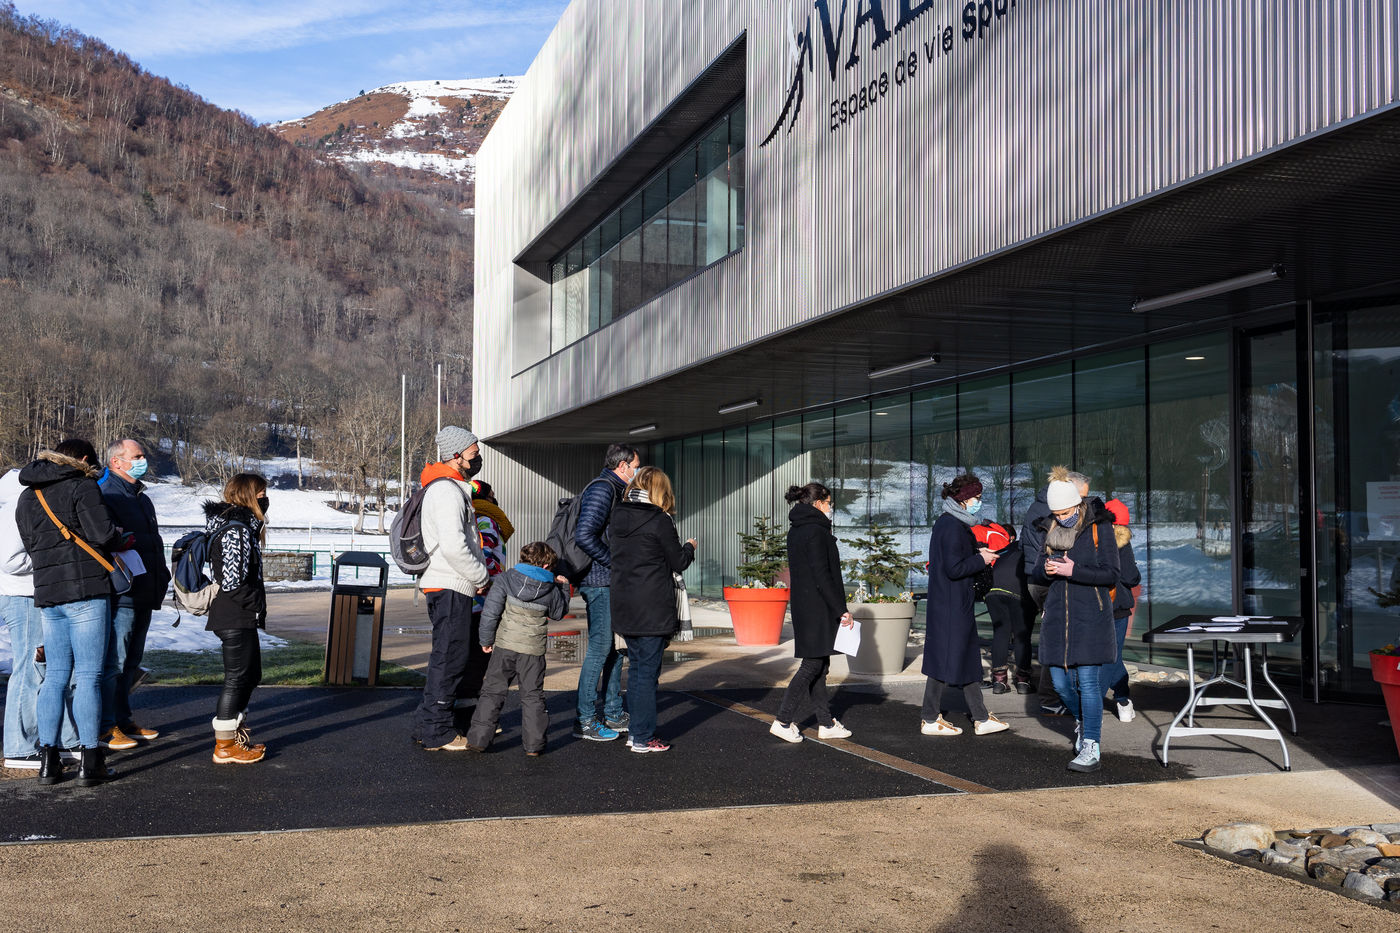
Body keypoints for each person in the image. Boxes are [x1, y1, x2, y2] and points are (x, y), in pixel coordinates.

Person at [17, 439, 126, 786]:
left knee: (55, 677)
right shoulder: (82, 486)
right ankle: (90, 760)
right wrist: (119, 536)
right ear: (83, 459)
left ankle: (48, 761)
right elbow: (102, 534)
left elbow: (31, 545)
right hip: (86, 590)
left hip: (49, 593)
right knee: (90, 675)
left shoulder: (28, 495)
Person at [411, 426, 492, 752]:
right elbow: (455, 546)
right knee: (450, 659)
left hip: (446, 584)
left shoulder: (447, 487)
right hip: (450, 585)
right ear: (457, 456)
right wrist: (481, 577)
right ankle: (438, 731)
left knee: (445, 657)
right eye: (473, 453)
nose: (477, 458)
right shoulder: (446, 491)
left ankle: (426, 725)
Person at [1033, 470, 1120, 773]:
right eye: (1056, 513)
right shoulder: (1050, 526)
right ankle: (1084, 721)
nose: (1061, 518)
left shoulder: (1099, 526)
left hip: (1091, 616)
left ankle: (1092, 744)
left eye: (1065, 512)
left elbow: (1112, 573)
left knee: (1089, 683)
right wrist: (1047, 569)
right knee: (1058, 683)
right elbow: (1036, 570)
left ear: (1077, 504)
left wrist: (1075, 571)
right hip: (1058, 616)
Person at [609, 466, 695, 753]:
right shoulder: (660, 520)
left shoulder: (617, 516)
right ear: (661, 490)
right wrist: (690, 547)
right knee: (646, 675)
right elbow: (678, 561)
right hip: (652, 606)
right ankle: (643, 737)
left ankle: (636, 732)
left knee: (636, 672)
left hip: (624, 604)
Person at [1, 467, 79, 769]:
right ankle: (19, 746)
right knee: (30, 667)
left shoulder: (27, 501)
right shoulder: (19, 504)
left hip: (36, 593)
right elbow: (10, 560)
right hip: (22, 595)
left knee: (48, 667)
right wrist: (52, 560)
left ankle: (58, 738)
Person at [920, 473, 1008, 737]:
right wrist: (981, 559)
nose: (979, 502)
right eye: (977, 498)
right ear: (965, 498)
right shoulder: (952, 526)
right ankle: (930, 717)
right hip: (952, 604)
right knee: (946, 659)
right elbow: (954, 567)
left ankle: (980, 717)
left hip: (953, 602)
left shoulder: (950, 523)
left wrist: (977, 554)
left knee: (965, 658)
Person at [97, 438, 170, 750]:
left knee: (132, 660)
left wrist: (161, 575)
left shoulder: (141, 497)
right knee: (116, 660)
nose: (143, 461)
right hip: (123, 590)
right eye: (137, 456)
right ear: (117, 461)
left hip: (145, 589)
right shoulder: (107, 494)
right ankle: (106, 725)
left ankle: (123, 718)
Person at [465, 541, 569, 756]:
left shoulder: (506, 578)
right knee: (532, 696)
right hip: (533, 651)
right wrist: (564, 587)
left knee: (492, 692)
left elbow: (490, 612)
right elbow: (558, 613)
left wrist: (485, 640)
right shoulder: (551, 587)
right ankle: (534, 746)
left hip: (505, 645)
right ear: (546, 565)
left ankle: (478, 740)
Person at [769, 482, 852, 743]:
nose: (831, 507)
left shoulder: (798, 529)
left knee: (820, 665)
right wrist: (841, 610)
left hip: (807, 606)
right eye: (828, 502)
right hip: (818, 608)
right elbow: (821, 575)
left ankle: (825, 723)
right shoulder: (816, 531)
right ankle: (783, 720)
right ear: (818, 504)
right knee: (812, 665)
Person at [572, 443, 640, 742]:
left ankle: (613, 713)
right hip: (600, 582)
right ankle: (585, 720)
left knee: (614, 650)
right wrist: (616, 564)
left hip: (609, 582)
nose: (638, 472)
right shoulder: (603, 489)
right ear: (623, 466)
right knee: (600, 649)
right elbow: (584, 535)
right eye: (636, 466)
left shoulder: (616, 489)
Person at [204, 473, 271, 764]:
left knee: (251, 675)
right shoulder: (236, 531)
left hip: (238, 615)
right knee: (237, 678)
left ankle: (234, 732)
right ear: (247, 496)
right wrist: (256, 605)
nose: (265, 500)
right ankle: (225, 745)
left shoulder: (242, 527)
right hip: (233, 615)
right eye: (261, 495)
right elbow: (232, 582)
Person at [1020, 468, 1095, 716]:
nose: (1083, 503)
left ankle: (1056, 694)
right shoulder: (1052, 513)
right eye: (1081, 497)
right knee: (1060, 638)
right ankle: (1051, 696)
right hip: (1047, 580)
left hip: (1039, 578)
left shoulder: (1039, 507)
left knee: (1059, 637)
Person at [1100, 498, 1142, 723]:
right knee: (1112, 655)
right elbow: (1130, 576)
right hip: (1117, 607)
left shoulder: (1091, 538)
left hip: (1095, 605)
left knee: (1103, 655)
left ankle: (1121, 699)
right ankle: (1120, 700)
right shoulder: (1121, 540)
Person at [982, 525, 1037, 695]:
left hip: (993, 591)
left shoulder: (1010, 547)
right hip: (1017, 591)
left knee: (1001, 633)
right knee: (1022, 636)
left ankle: (999, 681)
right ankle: (1023, 681)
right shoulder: (1035, 548)